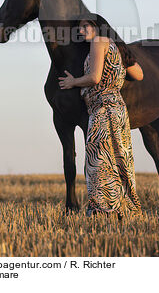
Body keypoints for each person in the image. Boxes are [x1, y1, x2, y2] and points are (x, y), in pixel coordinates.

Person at [58, 13, 143, 218]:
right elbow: (139, 74)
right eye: (79, 28)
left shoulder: (98, 42)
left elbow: (94, 77)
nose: (81, 31)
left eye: (85, 26)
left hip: (103, 110)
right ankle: (123, 209)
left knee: (99, 163)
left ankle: (102, 211)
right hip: (118, 110)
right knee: (119, 161)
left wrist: (73, 82)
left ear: (97, 26)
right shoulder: (116, 46)